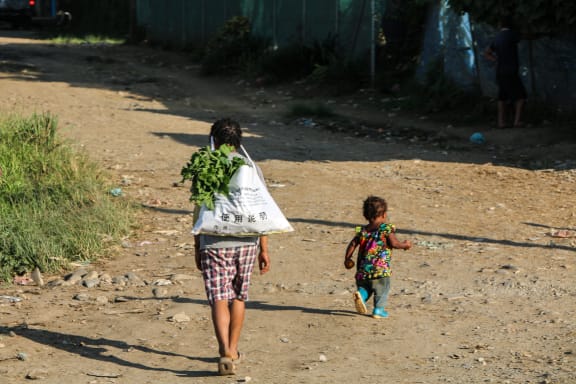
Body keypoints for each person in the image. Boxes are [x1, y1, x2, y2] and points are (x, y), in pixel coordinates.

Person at [193, 118, 270, 375]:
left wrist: (197, 244)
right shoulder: (250, 167)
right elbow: (262, 208)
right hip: (247, 240)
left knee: (218, 298)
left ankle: (223, 348)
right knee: (238, 296)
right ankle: (233, 350)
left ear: (213, 140)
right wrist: (264, 248)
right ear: (239, 141)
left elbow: (200, 209)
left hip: (213, 240)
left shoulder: (204, 165)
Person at [344, 196, 411, 319]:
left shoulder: (362, 231)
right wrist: (405, 245)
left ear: (365, 216)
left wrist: (347, 259)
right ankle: (378, 310)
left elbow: (353, 244)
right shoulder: (385, 228)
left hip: (363, 269)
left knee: (365, 287)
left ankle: (362, 295)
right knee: (382, 289)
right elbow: (394, 244)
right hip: (380, 269)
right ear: (384, 215)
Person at [484, 15, 527, 129]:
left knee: (502, 97)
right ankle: (517, 121)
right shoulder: (512, 35)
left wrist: (496, 59)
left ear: (500, 25)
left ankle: (501, 122)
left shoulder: (497, 37)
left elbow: (487, 52)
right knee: (521, 96)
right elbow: (524, 38)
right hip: (511, 70)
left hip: (500, 71)